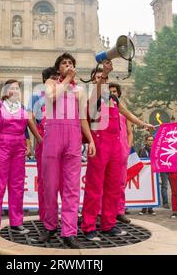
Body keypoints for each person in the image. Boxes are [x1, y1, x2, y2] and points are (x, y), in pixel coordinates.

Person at [81, 61, 154, 242]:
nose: (101, 80)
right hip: (99, 146)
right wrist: (104, 73)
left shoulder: (113, 99)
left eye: (102, 77)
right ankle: (89, 226)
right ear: (94, 81)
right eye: (97, 78)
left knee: (113, 188)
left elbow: (128, 114)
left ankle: (108, 224)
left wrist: (143, 124)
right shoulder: (93, 98)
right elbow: (98, 90)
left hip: (115, 147)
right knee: (94, 187)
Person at [38, 53, 96, 249]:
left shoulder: (79, 91)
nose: (68, 65)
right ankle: (50, 226)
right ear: (58, 69)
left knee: (72, 188)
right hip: (53, 136)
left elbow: (82, 119)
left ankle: (69, 232)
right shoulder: (51, 83)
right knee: (50, 185)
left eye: (70, 63)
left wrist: (90, 140)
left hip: (73, 138)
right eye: (64, 63)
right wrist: (68, 79)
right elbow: (51, 98)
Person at [0, 80, 42, 238]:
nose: (16, 90)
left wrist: (38, 140)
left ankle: (16, 222)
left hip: (18, 149)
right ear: (6, 91)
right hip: (1, 148)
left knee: (17, 186)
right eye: (12, 88)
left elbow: (27, 127)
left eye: (17, 88)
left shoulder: (22, 108)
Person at [27, 67, 58, 222]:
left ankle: (63, 216)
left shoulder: (62, 95)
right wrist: (39, 138)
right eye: (54, 77)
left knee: (63, 181)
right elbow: (29, 118)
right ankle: (45, 216)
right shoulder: (35, 96)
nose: (57, 80)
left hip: (61, 141)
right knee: (45, 181)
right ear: (45, 80)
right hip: (44, 140)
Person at [109, 82, 133, 223]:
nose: (112, 93)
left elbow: (130, 133)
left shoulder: (124, 111)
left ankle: (120, 210)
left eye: (115, 91)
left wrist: (127, 148)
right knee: (106, 184)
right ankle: (102, 212)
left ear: (118, 93)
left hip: (122, 152)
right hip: (109, 151)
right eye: (110, 91)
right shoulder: (104, 109)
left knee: (120, 184)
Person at [137, 135, 157, 215]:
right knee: (144, 190)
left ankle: (150, 208)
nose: (150, 141)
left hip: (153, 174)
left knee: (152, 190)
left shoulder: (156, 150)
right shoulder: (142, 150)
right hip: (144, 174)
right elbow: (139, 160)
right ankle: (143, 208)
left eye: (152, 140)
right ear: (146, 141)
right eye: (149, 140)